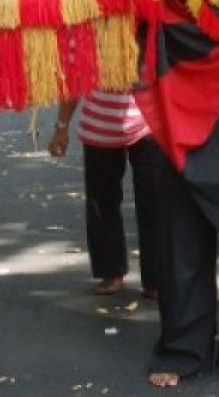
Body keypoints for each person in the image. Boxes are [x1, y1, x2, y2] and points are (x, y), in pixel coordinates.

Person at [49, 90, 165, 298]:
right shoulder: (85, 54)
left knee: (155, 202)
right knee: (101, 202)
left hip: (148, 126)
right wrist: (61, 127)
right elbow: (72, 81)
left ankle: (156, 278)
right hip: (99, 128)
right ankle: (111, 271)